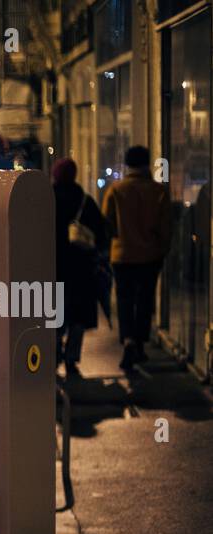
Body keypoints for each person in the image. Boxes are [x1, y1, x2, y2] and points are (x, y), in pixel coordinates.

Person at [102, 145, 172, 371]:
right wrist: (162, 250)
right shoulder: (159, 191)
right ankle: (139, 342)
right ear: (146, 164)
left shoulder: (116, 190)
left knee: (124, 299)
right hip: (150, 256)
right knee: (144, 300)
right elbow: (166, 228)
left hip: (122, 255)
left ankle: (128, 340)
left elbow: (107, 224)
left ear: (127, 164)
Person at [51, 158, 110, 378]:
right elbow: (101, 234)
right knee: (78, 318)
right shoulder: (85, 200)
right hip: (81, 268)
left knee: (53, 316)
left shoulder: (45, 199)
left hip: (52, 268)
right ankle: (71, 359)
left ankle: (53, 355)